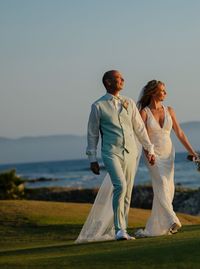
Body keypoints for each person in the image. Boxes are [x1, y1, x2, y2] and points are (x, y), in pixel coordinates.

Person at [77, 70, 156, 242]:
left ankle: (122, 229)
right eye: (118, 78)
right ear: (108, 82)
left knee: (127, 191)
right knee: (120, 185)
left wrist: (149, 149)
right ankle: (119, 229)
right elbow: (92, 134)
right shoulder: (98, 106)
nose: (123, 80)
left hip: (130, 153)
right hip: (110, 152)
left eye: (122, 77)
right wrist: (92, 159)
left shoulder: (129, 102)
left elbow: (139, 128)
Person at [136, 80, 197, 237]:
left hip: (169, 153)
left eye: (165, 90)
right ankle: (172, 220)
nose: (165, 93)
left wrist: (192, 152)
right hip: (152, 154)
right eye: (162, 90)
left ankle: (156, 228)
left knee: (168, 188)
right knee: (162, 184)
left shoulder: (170, 110)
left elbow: (179, 133)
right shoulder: (144, 112)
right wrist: (148, 152)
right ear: (153, 92)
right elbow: (141, 137)